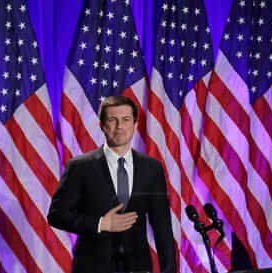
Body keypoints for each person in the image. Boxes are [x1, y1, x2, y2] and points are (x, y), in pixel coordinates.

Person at [48, 96, 176, 273]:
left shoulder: (152, 168)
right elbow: (56, 215)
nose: (120, 127)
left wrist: (169, 270)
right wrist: (100, 224)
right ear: (102, 125)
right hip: (92, 266)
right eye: (112, 120)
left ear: (135, 124)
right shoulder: (80, 167)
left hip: (138, 266)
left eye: (126, 120)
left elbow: (162, 226)